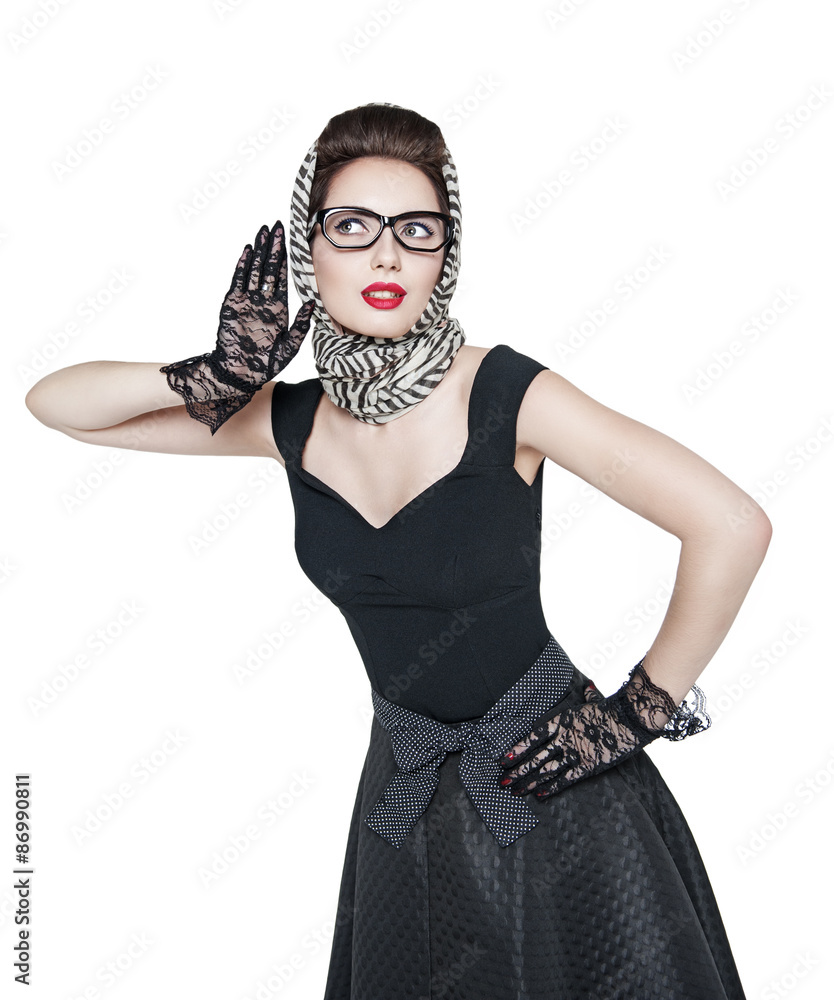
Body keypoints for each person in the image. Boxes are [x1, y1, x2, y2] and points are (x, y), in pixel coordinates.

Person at [25, 102, 770, 999]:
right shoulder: (286, 420)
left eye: (416, 231)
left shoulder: (507, 393)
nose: (386, 256)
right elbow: (57, 406)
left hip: (557, 788)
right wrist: (220, 372)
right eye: (353, 227)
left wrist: (634, 714)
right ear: (310, 250)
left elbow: (730, 524)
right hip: (404, 797)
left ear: (443, 256)